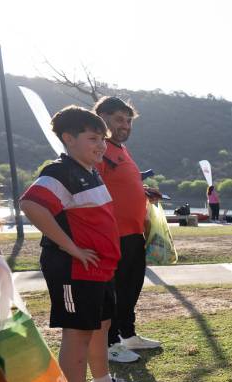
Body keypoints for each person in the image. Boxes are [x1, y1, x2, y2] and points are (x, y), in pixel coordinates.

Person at [19, 106, 141, 382]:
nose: (101, 144)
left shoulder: (90, 170)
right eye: (92, 138)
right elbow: (31, 204)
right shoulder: (61, 171)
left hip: (99, 268)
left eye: (102, 138)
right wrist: (69, 245)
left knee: (100, 325)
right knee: (78, 333)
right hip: (73, 269)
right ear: (68, 139)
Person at [94, 97, 163, 364]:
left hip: (134, 232)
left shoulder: (120, 149)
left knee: (131, 287)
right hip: (113, 235)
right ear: (103, 118)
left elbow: (121, 185)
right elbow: (94, 187)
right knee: (113, 292)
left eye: (128, 120)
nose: (125, 125)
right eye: (119, 119)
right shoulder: (100, 150)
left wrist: (144, 192)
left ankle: (128, 334)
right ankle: (109, 343)